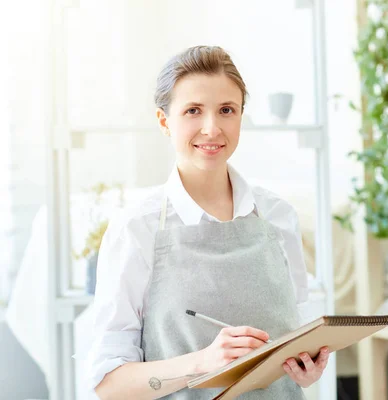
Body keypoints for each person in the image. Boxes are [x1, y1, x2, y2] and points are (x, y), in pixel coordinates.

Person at [86, 45, 329, 399]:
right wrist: (201, 363)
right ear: (164, 122)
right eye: (193, 111)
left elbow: (294, 342)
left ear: (241, 115)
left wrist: (303, 370)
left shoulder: (278, 216)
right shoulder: (137, 228)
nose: (211, 128)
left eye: (226, 110)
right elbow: (110, 386)